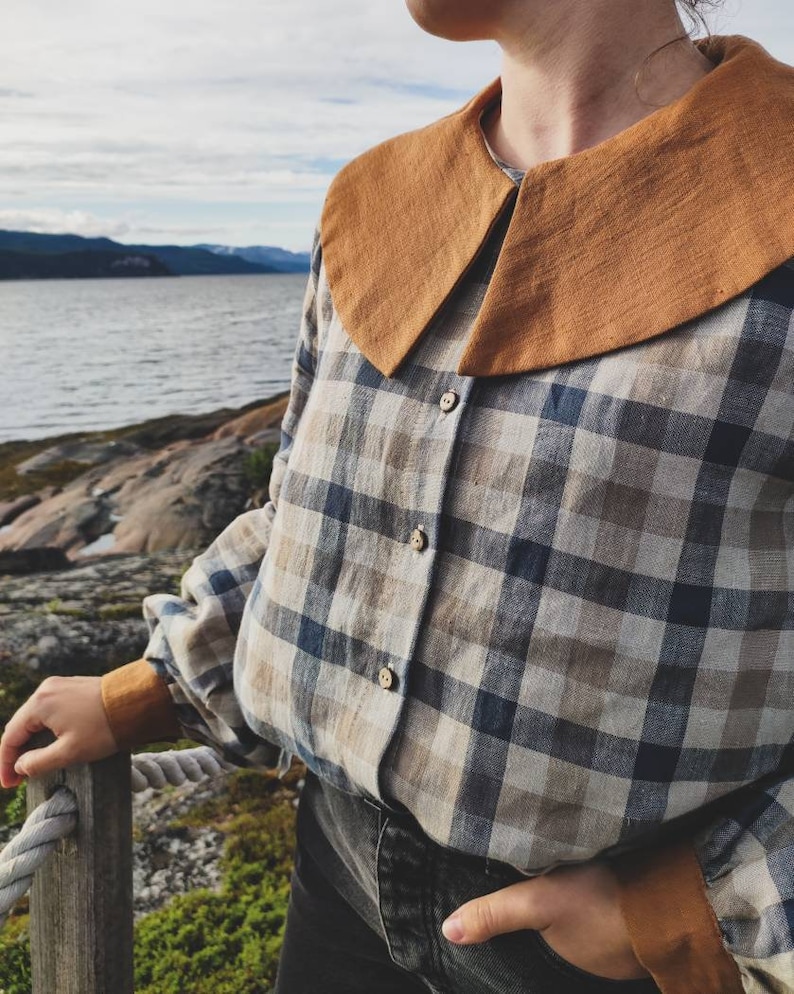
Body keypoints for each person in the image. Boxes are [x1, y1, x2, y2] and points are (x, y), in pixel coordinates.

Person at [2, 1, 793, 991]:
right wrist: (153, 686)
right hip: (334, 871)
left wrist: (698, 908)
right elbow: (308, 515)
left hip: (606, 955)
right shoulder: (370, 198)